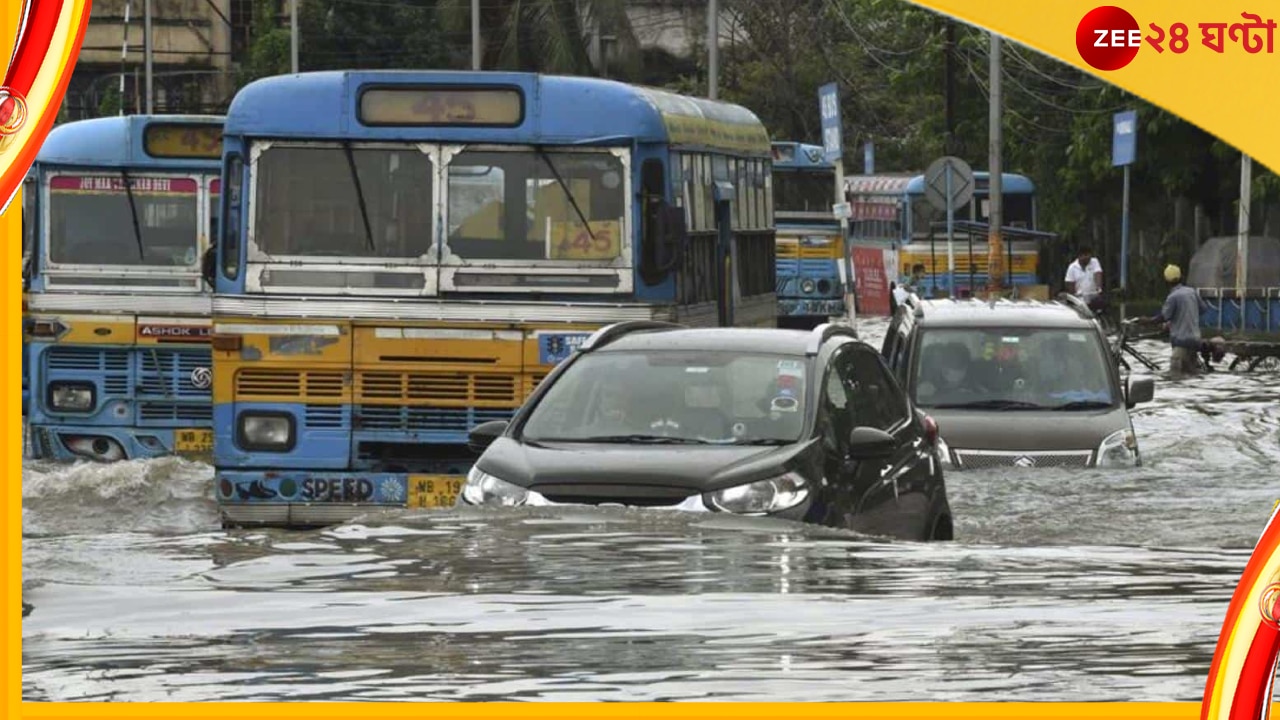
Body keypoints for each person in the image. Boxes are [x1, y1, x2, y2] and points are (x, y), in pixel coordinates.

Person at [1148, 263, 1209, 378]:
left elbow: (1163, 317)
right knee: (1193, 376)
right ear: (1181, 278)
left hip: (1181, 344)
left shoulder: (1173, 297)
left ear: (1166, 282)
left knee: (1175, 378)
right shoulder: (1192, 292)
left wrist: (1146, 321)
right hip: (1195, 341)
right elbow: (1203, 309)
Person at [1064, 247, 1104, 313]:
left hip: (1093, 298)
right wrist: (1073, 298)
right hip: (1080, 301)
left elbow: (1098, 274)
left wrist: (1099, 288)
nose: (1087, 258)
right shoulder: (1072, 267)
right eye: (1085, 255)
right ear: (1079, 256)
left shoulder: (1094, 261)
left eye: (1089, 256)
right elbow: (1070, 285)